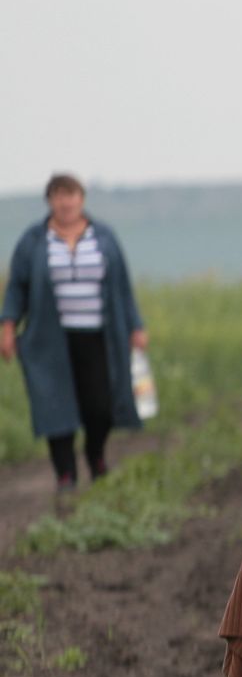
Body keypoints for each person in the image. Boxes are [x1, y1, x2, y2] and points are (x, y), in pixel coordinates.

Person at [1, 174, 150, 491]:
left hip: (98, 336)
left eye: (71, 195)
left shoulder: (104, 236)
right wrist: (7, 326)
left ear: (81, 199)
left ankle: (95, 454)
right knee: (55, 404)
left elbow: (122, 286)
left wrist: (135, 325)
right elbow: (17, 288)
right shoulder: (34, 240)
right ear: (50, 200)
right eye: (58, 195)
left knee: (100, 405)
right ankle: (65, 473)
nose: (65, 202)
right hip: (48, 338)